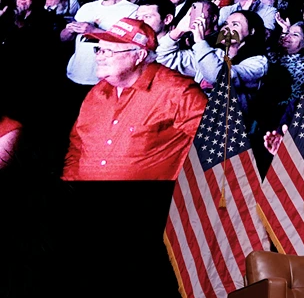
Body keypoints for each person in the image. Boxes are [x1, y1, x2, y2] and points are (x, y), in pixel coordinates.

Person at [62, 18, 207, 180]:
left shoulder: (177, 92)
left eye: (108, 51)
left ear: (139, 56)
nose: (99, 57)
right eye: (99, 50)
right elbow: (78, 147)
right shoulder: (96, 93)